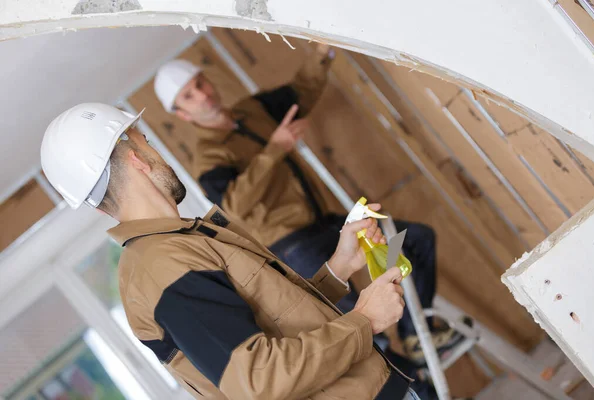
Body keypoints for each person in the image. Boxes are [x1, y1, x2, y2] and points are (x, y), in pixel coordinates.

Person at [40, 103, 420, 399]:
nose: (158, 153)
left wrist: (337, 268)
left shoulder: (174, 248)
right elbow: (259, 379)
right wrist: (365, 320)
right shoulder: (161, 267)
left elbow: (275, 322)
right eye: (147, 142)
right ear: (137, 160)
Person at [153, 44, 457, 368]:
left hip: (324, 222)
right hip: (292, 244)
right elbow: (235, 205)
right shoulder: (208, 157)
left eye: (199, 84)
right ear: (181, 114)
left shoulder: (253, 109)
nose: (202, 95)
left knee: (415, 241)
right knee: (361, 321)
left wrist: (321, 53)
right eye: (188, 96)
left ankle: (415, 337)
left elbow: (301, 92)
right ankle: (410, 382)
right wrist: (275, 148)